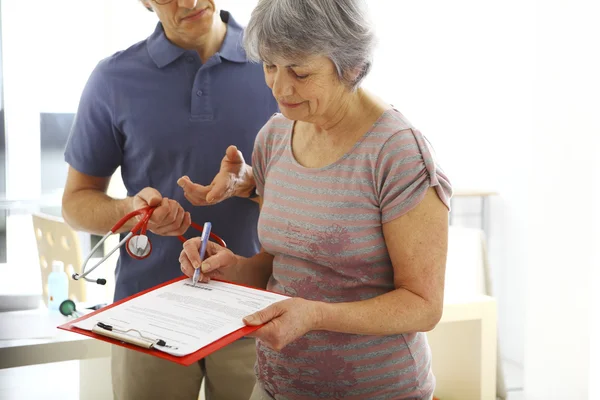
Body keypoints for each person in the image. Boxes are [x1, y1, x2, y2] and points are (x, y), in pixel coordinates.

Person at [178, 0, 453, 399]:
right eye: (270, 66)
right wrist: (231, 268)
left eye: (301, 72)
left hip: (376, 390)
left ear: (352, 66)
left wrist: (316, 315)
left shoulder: (396, 153)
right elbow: (283, 264)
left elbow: (424, 305)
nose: (279, 87)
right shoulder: (274, 136)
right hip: (277, 386)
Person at [61, 0, 278, 399]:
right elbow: (76, 203)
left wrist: (251, 186)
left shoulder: (279, 64)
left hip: (255, 311)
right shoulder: (113, 79)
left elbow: (315, 187)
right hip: (144, 320)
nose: (189, 2)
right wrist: (130, 213)